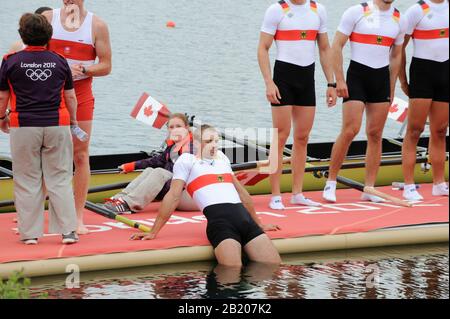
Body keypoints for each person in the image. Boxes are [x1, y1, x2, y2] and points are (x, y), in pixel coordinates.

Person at [131, 125, 282, 267]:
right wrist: (153, 231)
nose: (214, 145)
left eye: (217, 141)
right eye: (209, 141)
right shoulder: (186, 161)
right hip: (221, 225)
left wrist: (259, 223)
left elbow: (242, 193)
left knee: (274, 267)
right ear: (196, 143)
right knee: (232, 275)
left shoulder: (222, 158)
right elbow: (173, 196)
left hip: (246, 222)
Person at [0, 13, 78, 245]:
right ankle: (68, 232)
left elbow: (2, 96)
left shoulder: (10, 60)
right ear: (49, 36)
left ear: (22, 35)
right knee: (60, 178)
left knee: (27, 180)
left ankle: (30, 234)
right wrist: (73, 121)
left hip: (23, 125)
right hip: (57, 124)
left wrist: (0, 118)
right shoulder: (59, 61)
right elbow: (71, 97)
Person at [323, 0, 407, 203]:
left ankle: (369, 188)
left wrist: (392, 86)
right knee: (350, 129)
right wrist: (339, 80)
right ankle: (331, 182)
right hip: (356, 77)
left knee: (375, 134)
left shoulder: (399, 19)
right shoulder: (357, 11)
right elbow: (337, 46)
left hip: (381, 81)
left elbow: (396, 55)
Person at [258, 0, 337, 210]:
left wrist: (331, 83)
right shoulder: (277, 10)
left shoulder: (318, 10)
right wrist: (269, 82)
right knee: (280, 136)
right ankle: (275, 195)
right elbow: (263, 48)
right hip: (283, 78)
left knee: (302, 137)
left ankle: (297, 193)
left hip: (306, 80)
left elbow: (324, 48)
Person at [43, 0, 112, 234]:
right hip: (49, 92)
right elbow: (29, 53)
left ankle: (78, 217)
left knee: (80, 155)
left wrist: (84, 70)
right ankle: (37, 213)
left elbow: (106, 65)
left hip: (81, 93)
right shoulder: (48, 19)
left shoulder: (97, 25)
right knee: (46, 152)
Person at [399, 0, 449, 200]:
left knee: (440, 130)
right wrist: (402, 79)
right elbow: (399, 47)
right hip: (422, 73)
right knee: (415, 130)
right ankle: (409, 185)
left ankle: (439, 183)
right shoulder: (416, 10)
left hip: (446, 72)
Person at [104, 113, 198, 214]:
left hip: (189, 195)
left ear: (187, 128)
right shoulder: (173, 147)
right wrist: (131, 166)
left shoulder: (192, 147)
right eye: (171, 127)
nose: (175, 130)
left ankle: (128, 204)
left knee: (160, 172)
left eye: (178, 126)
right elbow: (155, 161)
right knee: (150, 170)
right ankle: (119, 199)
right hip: (174, 191)